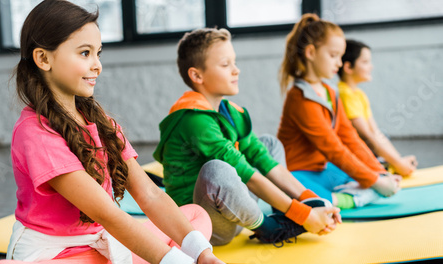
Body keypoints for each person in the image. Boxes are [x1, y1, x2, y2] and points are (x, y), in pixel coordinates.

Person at [0, 1, 245, 264]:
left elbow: (149, 194)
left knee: (195, 218)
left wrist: (204, 258)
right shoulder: (35, 133)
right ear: (43, 58)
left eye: (98, 53)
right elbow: (109, 214)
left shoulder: (102, 123)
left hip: (107, 257)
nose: (97, 65)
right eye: (85, 53)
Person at [153, 27, 340, 248]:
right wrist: (305, 217)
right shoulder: (192, 120)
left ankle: (284, 212)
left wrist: (310, 201)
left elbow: (262, 158)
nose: (236, 71)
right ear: (196, 75)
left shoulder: (231, 111)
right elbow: (248, 175)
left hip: (238, 211)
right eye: (225, 65)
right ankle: (271, 229)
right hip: (204, 228)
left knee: (268, 144)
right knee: (216, 169)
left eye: (234, 62)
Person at [277, 14, 401, 210]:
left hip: (324, 171)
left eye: (341, 57)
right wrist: (375, 183)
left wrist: (379, 174)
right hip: (299, 173)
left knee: (352, 167)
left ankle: (351, 192)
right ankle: (351, 199)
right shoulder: (299, 97)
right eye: (333, 55)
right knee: (286, 187)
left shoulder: (331, 93)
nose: (339, 63)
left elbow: (349, 137)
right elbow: (332, 147)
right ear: (310, 53)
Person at [338, 39, 418, 176]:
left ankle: (387, 165)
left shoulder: (359, 94)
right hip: (353, 154)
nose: (371, 67)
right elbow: (367, 136)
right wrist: (398, 164)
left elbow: (376, 133)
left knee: (382, 135)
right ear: (348, 67)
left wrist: (399, 160)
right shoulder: (345, 94)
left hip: (367, 150)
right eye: (365, 62)